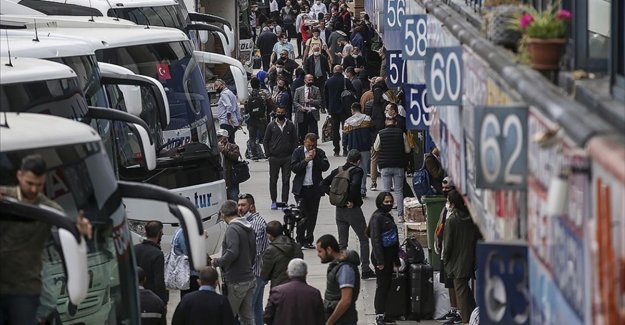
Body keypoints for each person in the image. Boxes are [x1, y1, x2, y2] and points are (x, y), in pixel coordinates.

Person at [0, 154, 93, 325]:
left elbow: (70, 233)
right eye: (30, 184)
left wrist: (80, 231)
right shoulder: (4, 197)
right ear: (19, 176)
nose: (34, 190)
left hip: (25, 289)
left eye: (39, 185)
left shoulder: (50, 210)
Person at [321, 150, 375, 279]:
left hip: (339, 210)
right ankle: (366, 269)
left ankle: (341, 269)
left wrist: (336, 198)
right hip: (353, 210)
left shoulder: (338, 170)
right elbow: (355, 185)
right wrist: (349, 200)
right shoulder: (357, 171)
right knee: (363, 238)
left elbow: (323, 184)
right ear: (358, 161)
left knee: (342, 242)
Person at [210, 200, 257, 325]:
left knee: (228, 317)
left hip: (236, 280)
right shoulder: (248, 227)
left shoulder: (232, 229)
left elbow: (232, 252)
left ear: (223, 214)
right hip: (249, 278)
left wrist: (217, 262)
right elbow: (253, 253)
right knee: (247, 318)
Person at [443, 190, 481, 325]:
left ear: (453, 203)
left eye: (448, 201)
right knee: (465, 290)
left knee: (461, 291)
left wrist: (445, 261)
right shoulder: (470, 218)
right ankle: (473, 316)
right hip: (469, 258)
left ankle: (465, 320)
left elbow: (447, 245)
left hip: (456, 261)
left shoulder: (452, 220)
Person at [291, 133, 330, 249]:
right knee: (302, 215)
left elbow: (325, 166)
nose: (310, 148)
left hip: (314, 189)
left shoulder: (320, 153)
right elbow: (294, 168)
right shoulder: (297, 152)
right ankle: (300, 239)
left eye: (313, 145)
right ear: (304, 142)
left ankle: (309, 239)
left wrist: (315, 158)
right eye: (309, 145)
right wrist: (306, 160)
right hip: (301, 189)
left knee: (312, 216)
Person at [367, 192, 400, 325]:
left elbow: (394, 241)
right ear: (380, 202)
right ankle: (379, 315)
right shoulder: (377, 218)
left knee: (387, 286)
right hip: (381, 257)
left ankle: (384, 313)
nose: (389, 204)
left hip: (389, 256)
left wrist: (396, 259)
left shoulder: (386, 216)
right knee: (382, 287)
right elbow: (375, 240)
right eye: (386, 202)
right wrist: (380, 261)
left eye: (390, 201)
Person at [315, 235, 361, 325]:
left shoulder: (345, 268)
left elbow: (346, 300)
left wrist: (330, 322)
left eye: (320, 251)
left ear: (328, 249)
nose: (318, 255)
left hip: (343, 320)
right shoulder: (338, 266)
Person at [263, 258, 325, 325]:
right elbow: (321, 319)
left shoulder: (277, 291)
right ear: (306, 273)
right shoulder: (314, 293)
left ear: (288, 273)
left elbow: (267, 317)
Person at [434, 177, 462, 324]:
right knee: (448, 283)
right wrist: (437, 242)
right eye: (443, 189)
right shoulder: (446, 208)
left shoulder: (458, 213)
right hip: (444, 250)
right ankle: (453, 308)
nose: (445, 191)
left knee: (455, 283)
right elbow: (440, 226)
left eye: (448, 189)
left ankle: (459, 312)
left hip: (453, 253)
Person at [238, 193, 269, 325]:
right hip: (258, 273)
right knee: (256, 308)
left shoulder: (254, 224)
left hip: (254, 274)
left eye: (243, 205)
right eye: (238, 205)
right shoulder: (249, 222)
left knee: (248, 311)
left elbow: (253, 252)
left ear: (252, 207)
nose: (240, 208)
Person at [373, 118, 411, 223]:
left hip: (385, 166)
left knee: (386, 191)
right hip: (399, 166)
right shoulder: (401, 133)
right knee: (399, 191)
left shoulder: (380, 133)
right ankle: (400, 216)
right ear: (395, 122)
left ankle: (386, 214)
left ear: (386, 122)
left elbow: (376, 148)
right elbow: (407, 149)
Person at [171, 267, 237, 325]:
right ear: (216, 283)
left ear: (199, 282)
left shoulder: (187, 299)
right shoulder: (222, 301)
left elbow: (176, 321)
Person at [263, 106, 298, 209]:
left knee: (286, 180)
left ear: (285, 113)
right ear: (276, 113)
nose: (280, 114)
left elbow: (295, 140)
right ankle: (273, 201)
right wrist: (268, 154)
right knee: (273, 180)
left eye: (282, 112)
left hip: (287, 157)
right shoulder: (271, 125)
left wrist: (293, 154)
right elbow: (265, 140)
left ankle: (284, 202)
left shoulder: (290, 125)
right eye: (278, 112)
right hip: (274, 157)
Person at [134, 221, 168, 305]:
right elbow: (159, 281)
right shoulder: (157, 254)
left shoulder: (134, 249)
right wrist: (163, 301)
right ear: (159, 233)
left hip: (134, 296)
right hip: (151, 299)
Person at [261, 221, 304, 288]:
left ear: (270, 235)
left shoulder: (271, 250)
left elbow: (264, 275)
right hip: (297, 285)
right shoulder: (296, 246)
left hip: (279, 287)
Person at [342, 103, 372, 197]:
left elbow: (345, 136)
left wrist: (344, 147)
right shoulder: (367, 119)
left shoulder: (348, 121)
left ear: (352, 110)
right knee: (363, 170)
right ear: (361, 109)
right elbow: (372, 132)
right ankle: (363, 189)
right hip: (365, 147)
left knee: (352, 170)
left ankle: (355, 189)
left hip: (353, 148)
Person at [324, 65, 355, 156]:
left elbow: (325, 96)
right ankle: (345, 149)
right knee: (345, 129)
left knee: (335, 130)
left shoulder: (328, 81)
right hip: (345, 109)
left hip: (333, 109)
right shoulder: (346, 81)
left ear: (333, 71)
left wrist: (327, 108)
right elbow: (353, 93)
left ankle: (336, 150)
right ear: (342, 71)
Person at [245, 77, 270, 160]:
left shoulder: (248, 94)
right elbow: (271, 103)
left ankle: (254, 155)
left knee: (252, 137)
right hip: (262, 118)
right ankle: (267, 153)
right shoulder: (264, 92)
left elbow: (246, 106)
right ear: (259, 84)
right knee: (265, 137)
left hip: (251, 119)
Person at [293, 74, 322, 142]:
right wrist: (301, 107)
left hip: (312, 113)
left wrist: (311, 101)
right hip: (302, 113)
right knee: (303, 131)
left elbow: (319, 101)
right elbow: (295, 101)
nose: (311, 81)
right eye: (309, 80)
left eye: (312, 80)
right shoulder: (299, 90)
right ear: (305, 80)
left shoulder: (316, 89)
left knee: (313, 131)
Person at [303, 45, 331, 112]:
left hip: (321, 78)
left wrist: (329, 75)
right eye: (315, 50)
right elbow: (305, 68)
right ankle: (315, 106)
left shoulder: (323, 58)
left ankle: (323, 107)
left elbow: (327, 67)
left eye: (317, 50)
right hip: (313, 79)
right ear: (312, 51)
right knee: (313, 93)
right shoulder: (309, 59)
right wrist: (308, 75)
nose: (316, 52)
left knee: (322, 93)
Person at [217, 129, 242, 201]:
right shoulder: (215, 149)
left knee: (233, 200)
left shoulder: (233, 147)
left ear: (225, 138)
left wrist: (224, 150)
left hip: (231, 180)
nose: (218, 139)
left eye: (220, 137)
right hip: (220, 180)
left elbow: (235, 157)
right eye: (218, 137)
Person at [216, 79, 241, 144]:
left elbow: (229, 105)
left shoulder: (223, 94)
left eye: (216, 86)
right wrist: (238, 120)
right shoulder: (231, 93)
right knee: (231, 142)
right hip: (232, 122)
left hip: (226, 122)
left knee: (225, 143)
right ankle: (235, 153)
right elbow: (236, 108)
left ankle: (232, 153)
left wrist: (228, 118)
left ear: (222, 85)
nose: (215, 88)